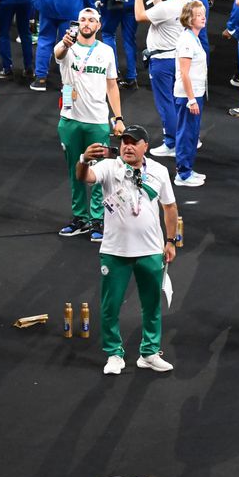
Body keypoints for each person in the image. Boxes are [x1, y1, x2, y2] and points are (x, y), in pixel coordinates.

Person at [76, 125, 179, 375]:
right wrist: (83, 160)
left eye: (134, 142)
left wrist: (171, 241)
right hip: (115, 250)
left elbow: (170, 207)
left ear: (146, 146)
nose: (128, 146)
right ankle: (114, 354)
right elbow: (85, 178)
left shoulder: (159, 171)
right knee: (110, 305)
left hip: (151, 249)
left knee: (152, 304)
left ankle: (149, 352)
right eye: (124, 141)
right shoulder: (110, 168)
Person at [56, 7, 127, 241]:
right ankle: (80, 217)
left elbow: (112, 85)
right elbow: (57, 53)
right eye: (83, 20)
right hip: (70, 120)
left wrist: (118, 118)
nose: (87, 23)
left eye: (91, 20)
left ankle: (98, 218)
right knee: (75, 169)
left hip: (97, 121)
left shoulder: (106, 51)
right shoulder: (68, 47)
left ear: (98, 25)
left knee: (99, 171)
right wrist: (65, 43)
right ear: (77, 24)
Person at [133, 0, 191, 157]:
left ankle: (172, 143)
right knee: (176, 102)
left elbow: (140, 16)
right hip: (177, 58)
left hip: (161, 62)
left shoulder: (167, 7)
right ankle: (183, 138)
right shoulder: (187, 1)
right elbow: (165, 12)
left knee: (165, 103)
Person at [173, 0, 209, 186]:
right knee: (186, 133)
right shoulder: (187, 40)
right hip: (188, 95)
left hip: (195, 94)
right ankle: (183, 173)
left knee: (192, 134)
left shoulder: (194, 38)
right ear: (189, 19)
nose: (203, 17)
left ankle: (188, 168)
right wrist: (191, 99)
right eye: (198, 15)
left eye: (203, 13)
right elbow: (184, 73)